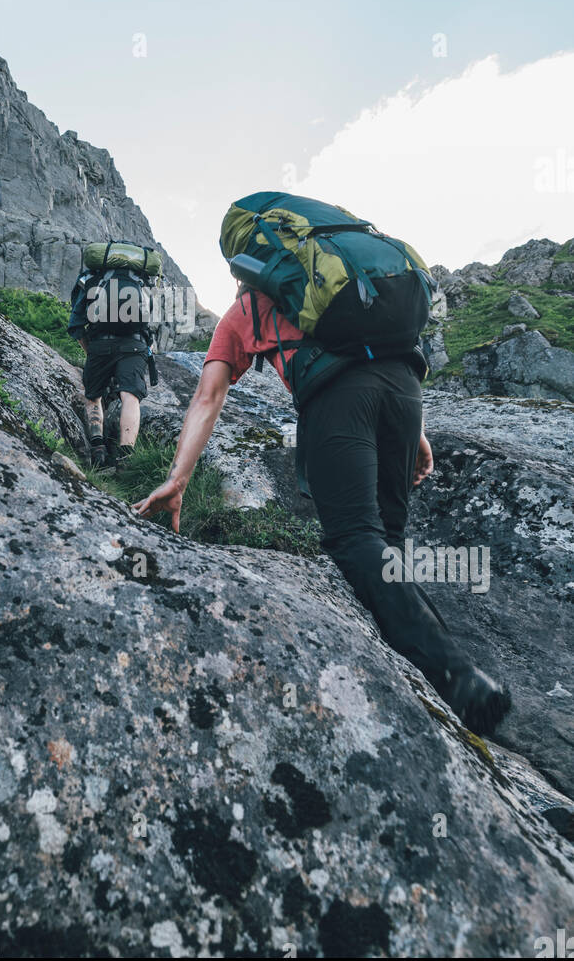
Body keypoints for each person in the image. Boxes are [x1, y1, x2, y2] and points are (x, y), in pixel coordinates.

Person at [133, 282, 511, 737]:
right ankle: (447, 680)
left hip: (339, 396)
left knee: (355, 539)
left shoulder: (248, 308)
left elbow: (208, 397)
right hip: (406, 391)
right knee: (386, 549)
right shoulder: (348, 287)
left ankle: (458, 679)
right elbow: (387, 351)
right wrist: (417, 433)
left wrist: (177, 479)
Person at [68, 262, 154, 470]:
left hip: (100, 344)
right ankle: (126, 458)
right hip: (134, 345)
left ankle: (98, 449)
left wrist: (91, 351)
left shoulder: (91, 280)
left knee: (93, 396)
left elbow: (76, 325)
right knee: (130, 396)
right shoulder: (141, 284)